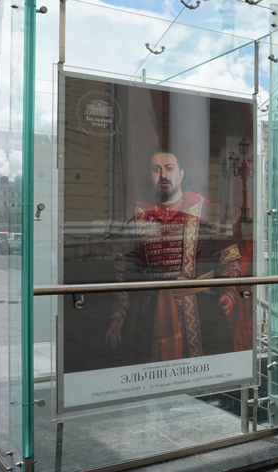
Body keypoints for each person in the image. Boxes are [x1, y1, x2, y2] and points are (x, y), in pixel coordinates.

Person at [105, 150, 249, 362]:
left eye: (169, 168)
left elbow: (229, 258)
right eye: (156, 169)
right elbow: (120, 271)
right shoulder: (136, 214)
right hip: (149, 311)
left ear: (181, 173)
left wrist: (228, 292)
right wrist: (120, 312)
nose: (163, 174)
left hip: (202, 307)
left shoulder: (207, 210)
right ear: (149, 175)